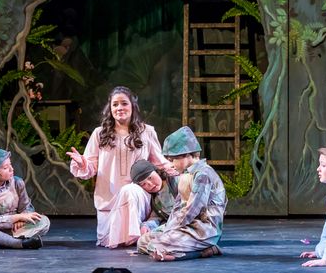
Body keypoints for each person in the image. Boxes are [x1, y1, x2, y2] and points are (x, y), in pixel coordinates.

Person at [66, 86, 172, 248]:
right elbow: (90, 168)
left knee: (129, 190)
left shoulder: (147, 132)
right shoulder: (99, 134)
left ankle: (140, 235)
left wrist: (181, 170)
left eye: (124, 103)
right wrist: (82, 164)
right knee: (108, 241)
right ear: (110, 108)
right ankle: (141, 235)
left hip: (137, 197)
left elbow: (160, 163)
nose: (119, 108)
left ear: (132, 106)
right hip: (108, 201)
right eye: (115, 104)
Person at [138, 126, 226, 262]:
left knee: (158, 244)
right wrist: (168, 228)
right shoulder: (186, 175)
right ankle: (174, 247)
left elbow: (191, 210)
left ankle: (205, 250)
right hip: (186, 226)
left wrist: (169, 232)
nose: (171, 164)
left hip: (203, 229)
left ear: (187, 155)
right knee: (143, 242)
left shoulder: (203, 174)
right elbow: (178, 206)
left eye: (172, 160)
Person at [129, 159, 179, 243]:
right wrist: (146, 226)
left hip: (189, 223)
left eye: (150, 178)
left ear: (156, 171)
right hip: (171, 228)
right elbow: (156, 217)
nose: (150, 184)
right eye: (143, 184)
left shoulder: (175, 181)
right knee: (143, 243)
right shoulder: (154, 198)